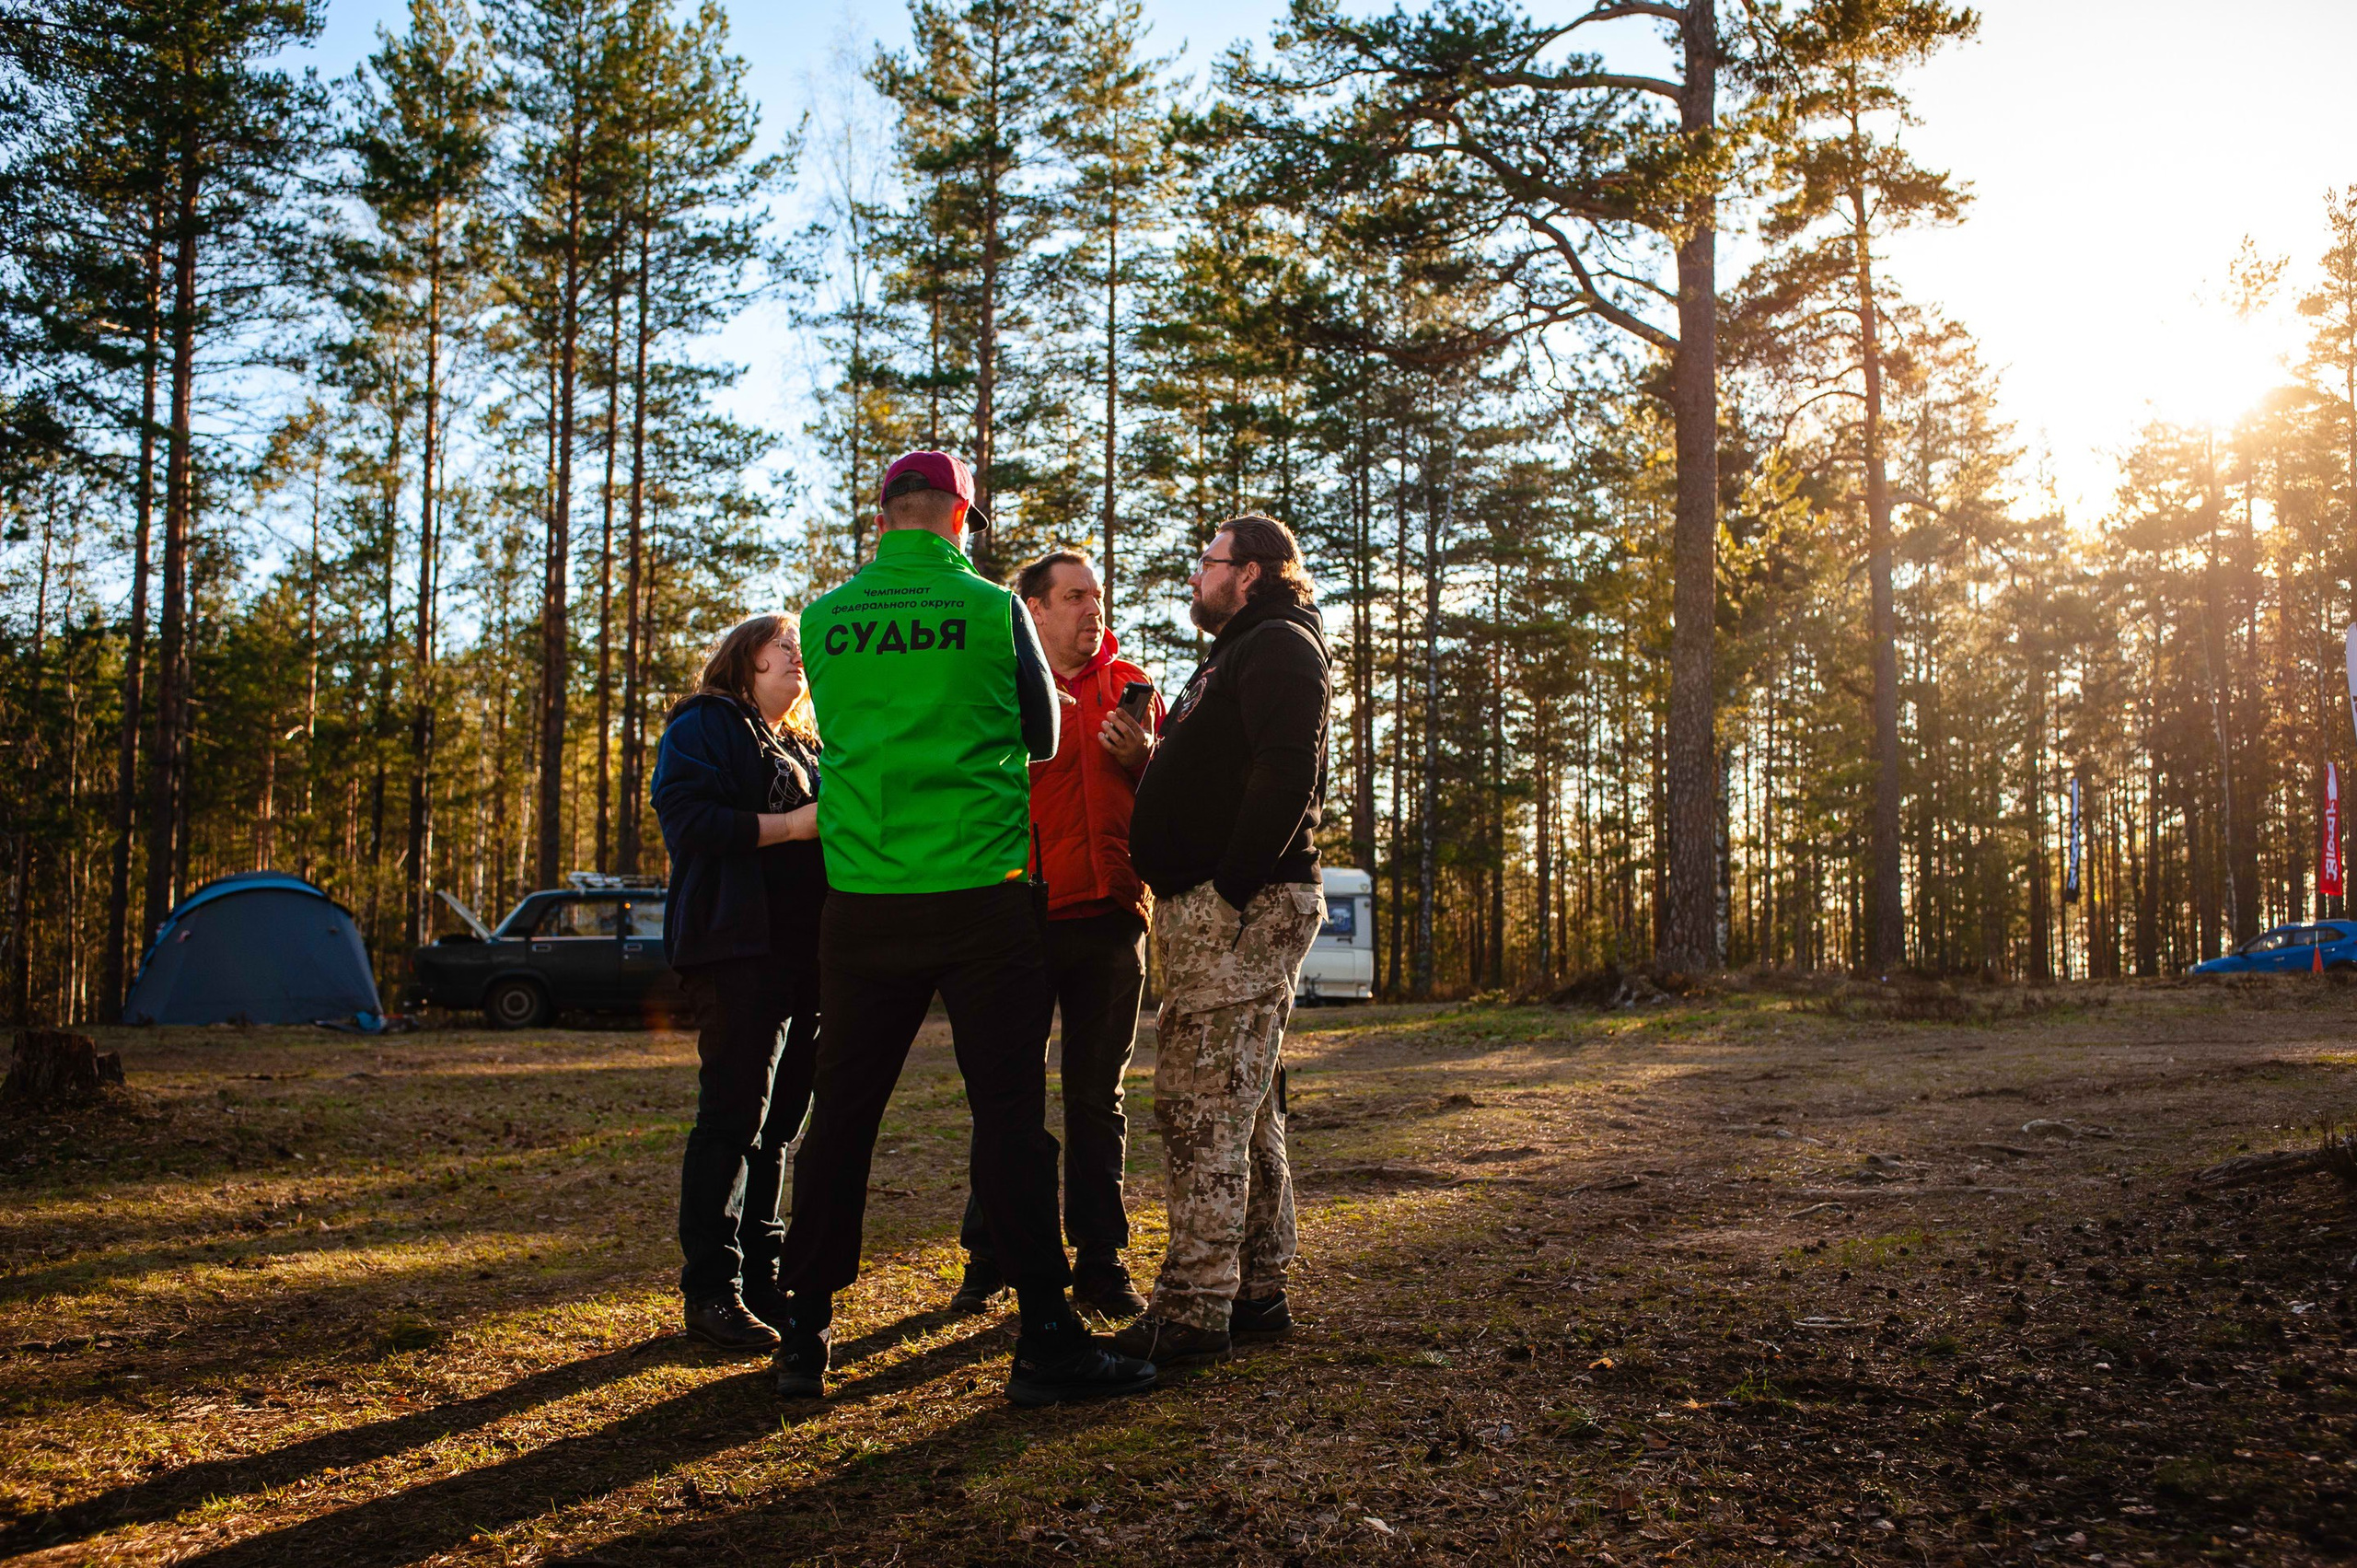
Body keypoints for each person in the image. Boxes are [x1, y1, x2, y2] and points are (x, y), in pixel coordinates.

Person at [769, 450, 1158, 1408]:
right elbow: (1045, 737)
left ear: (883, 519)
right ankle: (1044, 1334)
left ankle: (805, 1332)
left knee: (841, 1115)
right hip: (984, 893)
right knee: (1010, 1121)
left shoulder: (821, 618)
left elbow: (835, 733)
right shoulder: (995, 610)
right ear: (960, 520)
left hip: (861, 898)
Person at [1112, 514, 1332, 1370]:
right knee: (1240, 1098)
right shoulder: (1240, 649)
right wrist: (1152, 761)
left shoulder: (1279, 644)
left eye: (1206, 564)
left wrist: (1232, 885)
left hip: (1239, 905)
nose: (1194, 578)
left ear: (1250, 572)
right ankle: (1256, 1284)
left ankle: (1193, 1307)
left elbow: (1288, 770)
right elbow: (1224, 769)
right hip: (1219, 902)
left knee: (1200, 1104)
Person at [950, 551, 1161, 1321]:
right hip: (1018, 920)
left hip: (1111, 918)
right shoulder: (999, 682)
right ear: (1032, 610)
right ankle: (992, 1254)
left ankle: (1102, 1262)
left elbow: (1173, 794)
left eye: (1096, 596)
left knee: (1097, 1098)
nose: (1091, 609)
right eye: (1073, 596)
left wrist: (1146, 756)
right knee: (1008, 1099)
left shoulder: (1131, 686)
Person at [650, 613, 828, 1353]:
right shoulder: (705, 722)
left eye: (800, 651)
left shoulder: (808, 746)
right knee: (735, 1114)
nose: (797, 657)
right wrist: (795, 828)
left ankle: (764, 1275)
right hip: (737, 946)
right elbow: (687, 817)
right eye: (783, 645)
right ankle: (710, 1288)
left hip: (806, 955)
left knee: (783, 1120)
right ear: (744, 658)